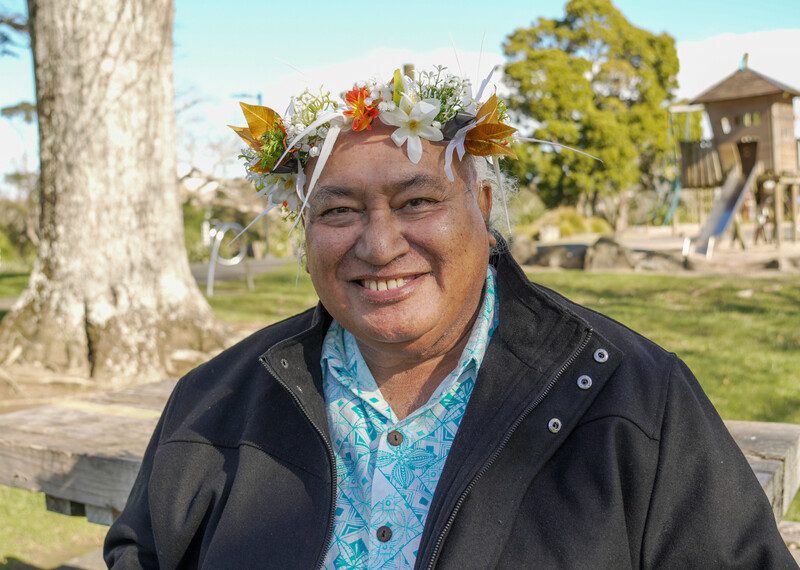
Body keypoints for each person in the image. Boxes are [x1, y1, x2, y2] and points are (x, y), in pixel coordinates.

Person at [104, 68, 796, 569]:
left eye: (416, 203)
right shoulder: (214, 403)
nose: (378, 245)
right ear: (304, 232)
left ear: (485, 208)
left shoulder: (633, 397)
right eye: (338, 211)